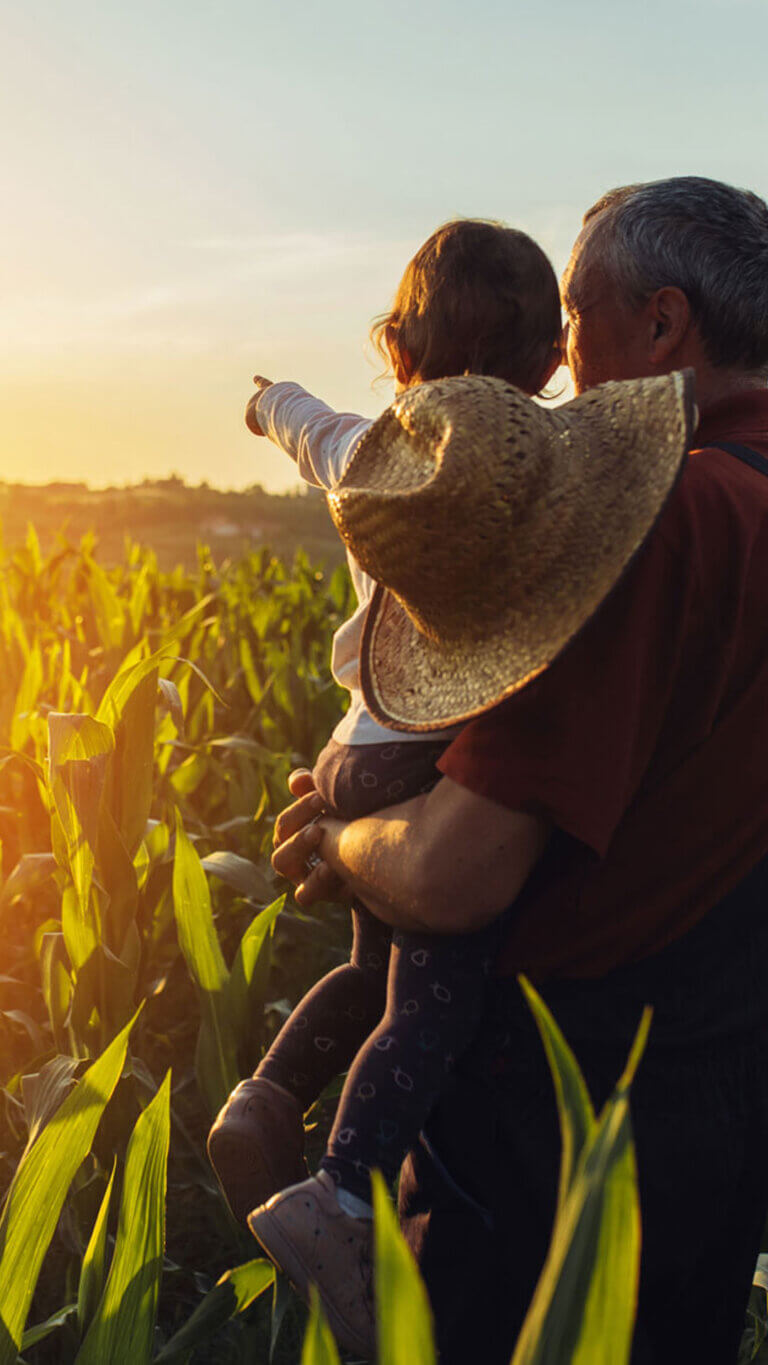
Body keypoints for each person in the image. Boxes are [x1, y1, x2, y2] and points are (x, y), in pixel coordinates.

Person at [271, 176, 768, 1365]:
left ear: (660, 327)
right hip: (725, 1089)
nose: (561, 364)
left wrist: (342, 845)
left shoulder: (664, 518)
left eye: (576, 323)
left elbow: (455, 877)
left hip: (562, 1114)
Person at [208, 220, 562, 1355]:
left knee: (368, 974)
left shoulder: (365, 453)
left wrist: (271, 403)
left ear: (399, 353)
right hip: (436, 752)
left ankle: (262, 1102)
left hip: (358, 743)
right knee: (432, 999)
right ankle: (345, 1192)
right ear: (551, 370)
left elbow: (305, 425)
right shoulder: (535, 485)